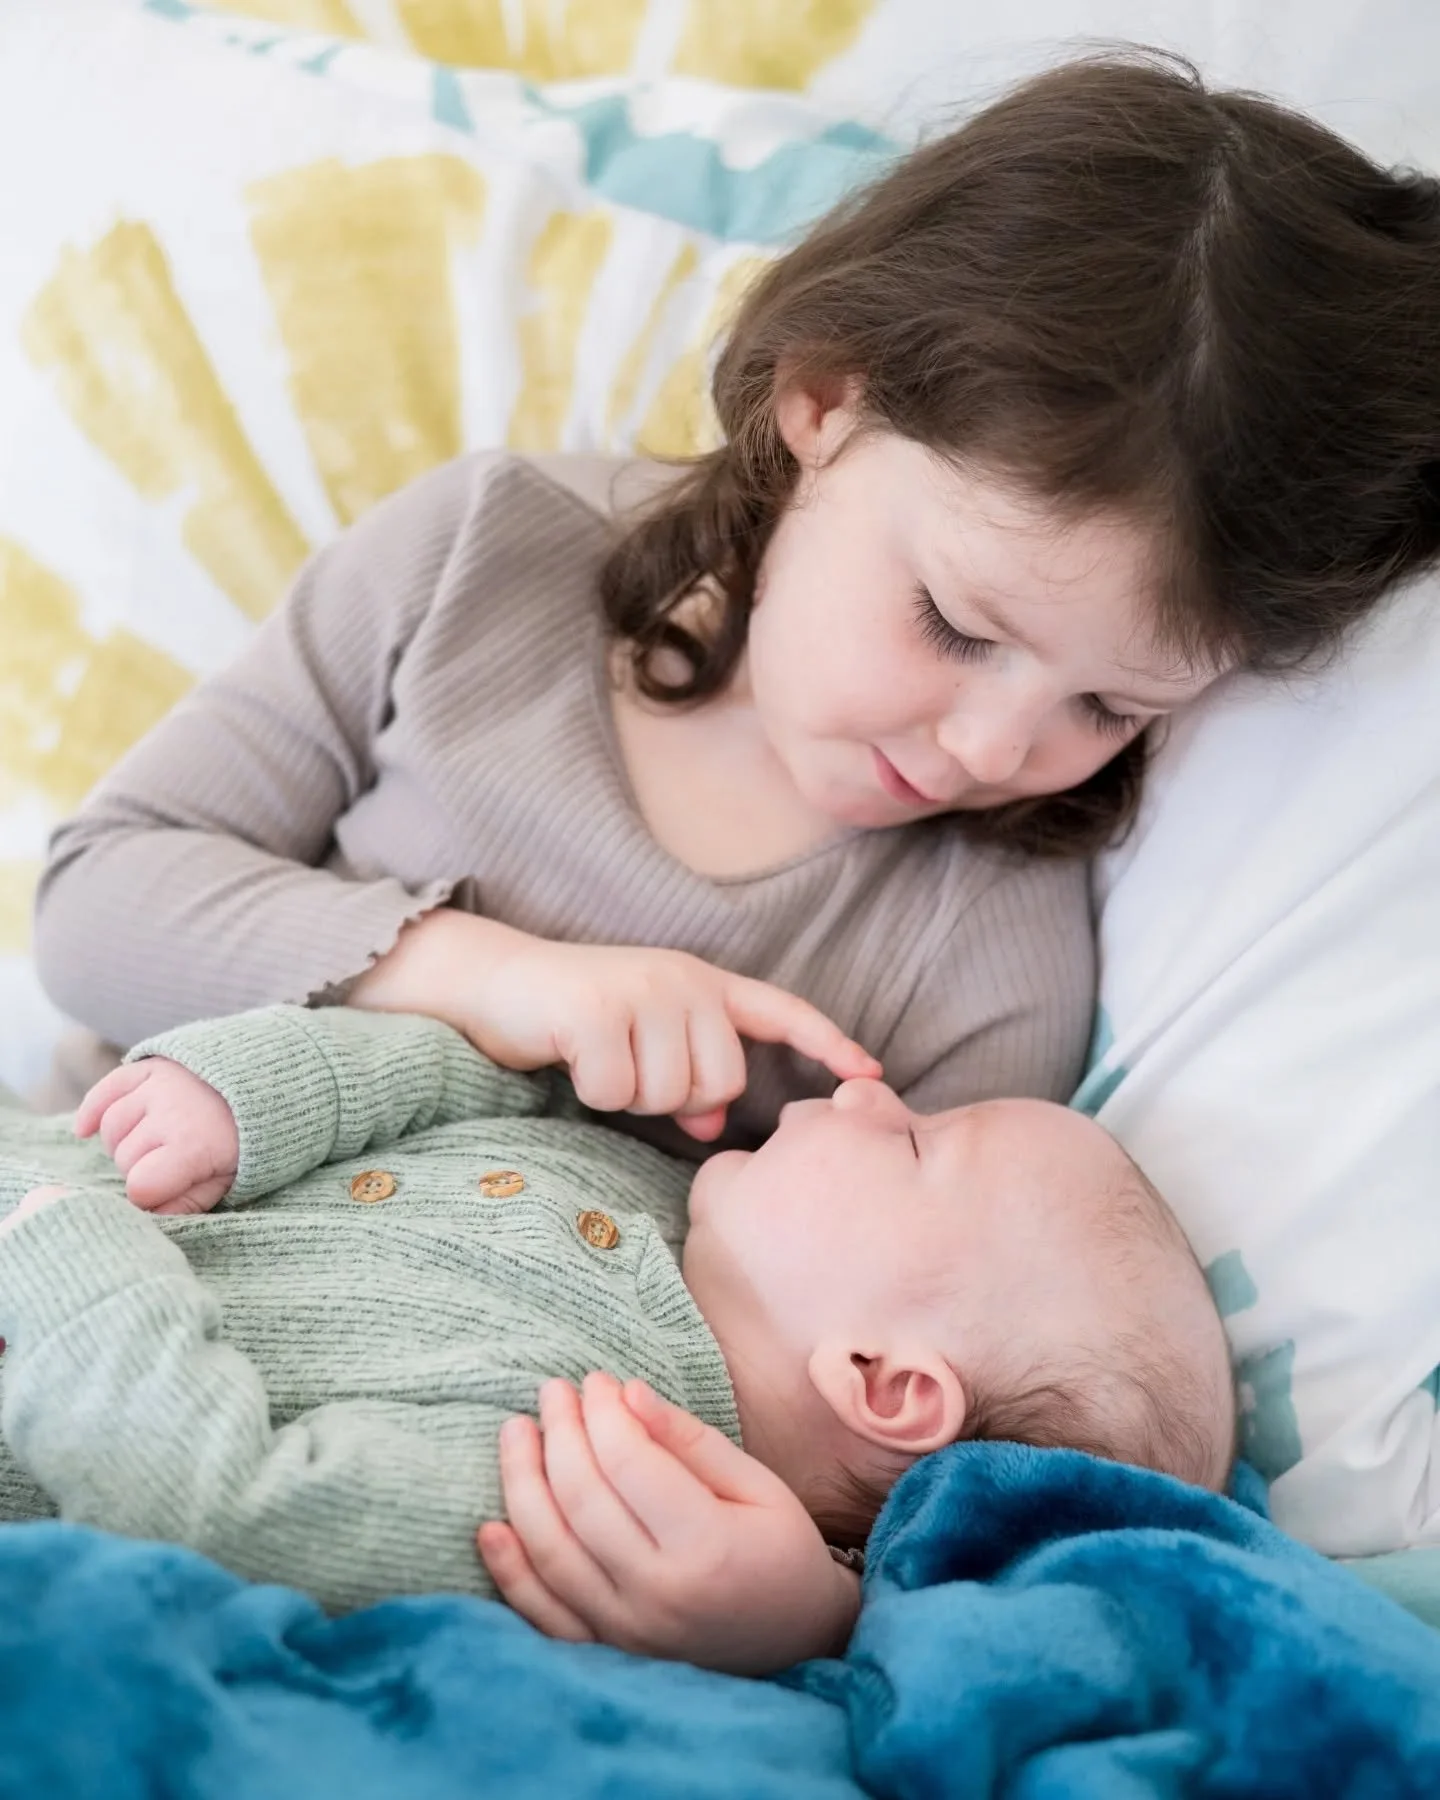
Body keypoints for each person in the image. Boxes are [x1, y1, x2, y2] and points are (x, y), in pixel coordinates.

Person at [34, 55, 1440, 1144]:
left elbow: (896, 1347)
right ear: (824, 400)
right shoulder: (484, 558)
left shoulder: (982, 960)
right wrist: (493, 984)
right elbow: (97, 908)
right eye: (958, 625)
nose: (998, 754)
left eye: (1110, 705)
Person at [0, 1003, 1234, 1676]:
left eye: (914, 1141)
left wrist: (75, 1265)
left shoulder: (609, 1479)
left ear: (886, 1382)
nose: (868, 1092)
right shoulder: (659, 1183)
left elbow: (231, 1508)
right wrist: (245, 1097)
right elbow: (459, 1071)